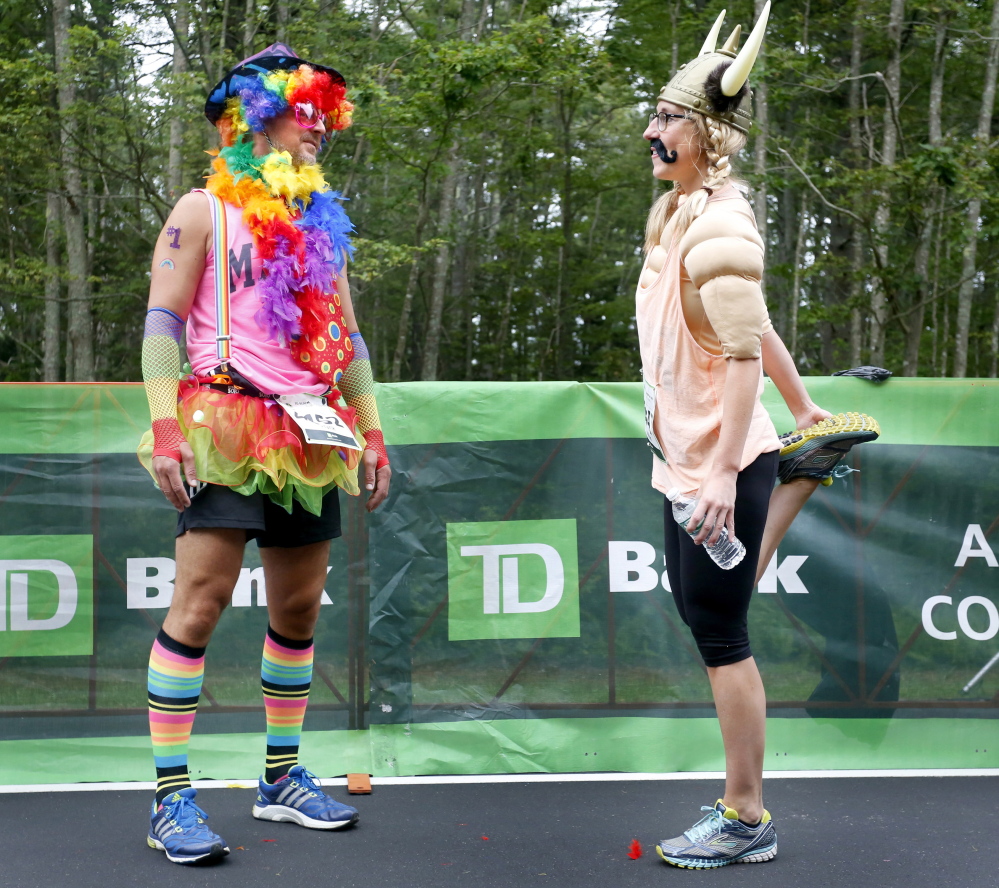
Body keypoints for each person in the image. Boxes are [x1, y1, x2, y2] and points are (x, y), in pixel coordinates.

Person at [136, 44, 391, 866]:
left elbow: (347, 339)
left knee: (298, 611)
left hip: (309, 429)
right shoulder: (201, 208)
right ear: (256, 116)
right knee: (201, 603)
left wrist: (373, 427)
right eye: (301, 109)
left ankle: (279, 778)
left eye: (324, 112)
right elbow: (161, 324)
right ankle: (170, 798)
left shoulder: (323, 222)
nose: (318, 124)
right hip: (223, 420)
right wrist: (166, 424)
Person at [636, 3, 876, 868]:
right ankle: (799, 467)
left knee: (718, 631)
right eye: (656, 114)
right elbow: (753, 325)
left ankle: (746, 817)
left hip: (719, 457)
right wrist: (806, 406)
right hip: (690, 453)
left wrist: (714, 472)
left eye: (667, 118)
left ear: (704, 134)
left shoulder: (722, 224)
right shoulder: (674, 215)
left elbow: (740, 353)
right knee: (710, 603)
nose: (652, 130)